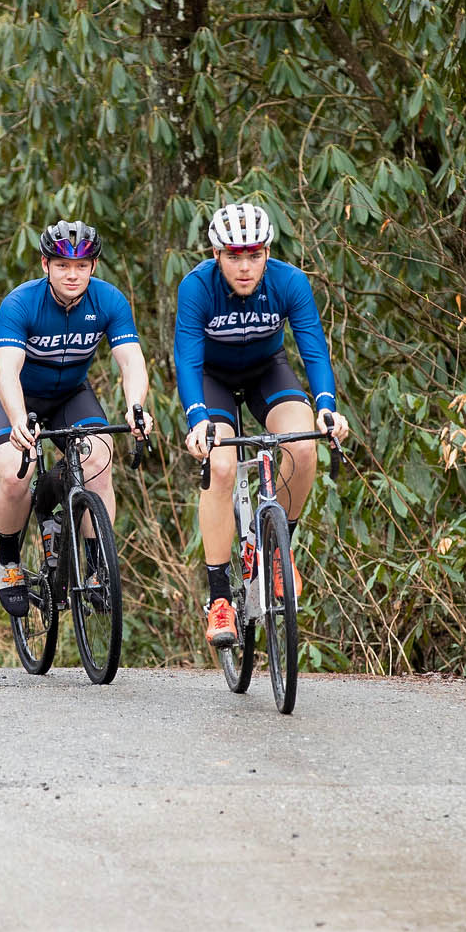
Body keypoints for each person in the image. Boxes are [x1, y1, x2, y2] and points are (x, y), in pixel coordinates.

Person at [173, 202, 351, 646]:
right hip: (212, 380)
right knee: (221, 465)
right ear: (217, 255)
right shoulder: (197, 287)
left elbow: (313, 348)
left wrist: (326, 406)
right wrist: (197, 420)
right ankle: (219, 600)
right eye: (234, 256)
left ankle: (277, 548)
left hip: (266, 372)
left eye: (254, 255)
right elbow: (188, 360)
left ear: (268, 252)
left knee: (305, 444)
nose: (245, 266)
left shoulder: (290, 282)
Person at [0, 220, 150, 616]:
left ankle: (95, 567)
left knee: (99, 459)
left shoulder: (109, 302)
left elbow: (131, 362)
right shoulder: (21, 303)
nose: (72, 274)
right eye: (62, 265)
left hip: (71, 394)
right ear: (45, 264)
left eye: (81, 265)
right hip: (18, 393)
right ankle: (9, 564)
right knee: (13, 474)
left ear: (93, 266)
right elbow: (7, 371)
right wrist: (18, 417)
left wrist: (135, 406)